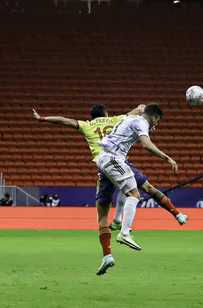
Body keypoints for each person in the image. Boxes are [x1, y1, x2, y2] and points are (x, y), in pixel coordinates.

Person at [33, 103, 187, 275]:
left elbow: (65, 121)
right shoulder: (117, 119)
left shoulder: (87, 125)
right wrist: (142, 108)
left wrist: (43, 118)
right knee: (143, 190)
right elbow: (138, 114)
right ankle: (168, 216)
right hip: (117, 160)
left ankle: (107, 255)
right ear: (106, 114)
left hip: (103, 165)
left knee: (102, 217)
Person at [94, 103, 178, 274]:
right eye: (157, 121)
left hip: (103, 160)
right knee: (135, 194)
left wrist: (142, 108)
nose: (156, 125)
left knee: (103, 211)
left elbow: (139, 109)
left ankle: (107, 255)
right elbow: (146, 145)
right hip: (113, 158)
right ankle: (124, 232)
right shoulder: (142, 123)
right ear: (154, 117)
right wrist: (167, 158)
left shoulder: (130, 117)